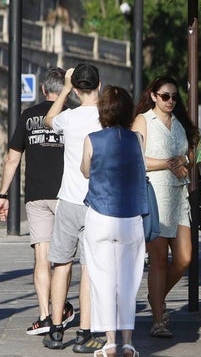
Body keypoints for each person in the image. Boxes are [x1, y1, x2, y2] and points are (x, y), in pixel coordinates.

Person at [0, 68, 75, 335]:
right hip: (67, 194)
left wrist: (3, 194)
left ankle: (44, 314)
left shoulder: (28, 116)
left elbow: (12, 158)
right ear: (65, 91)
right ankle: (59, 312)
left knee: (41, 257)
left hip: (35, 196)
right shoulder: (71, 116)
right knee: (62, 259)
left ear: (44, 90)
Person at [80, 86, 147, 357]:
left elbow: (85, 171)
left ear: (103, 110)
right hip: (130, 216)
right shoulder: (137, 139)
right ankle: (128, 341)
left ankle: (109, 342)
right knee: (128, 282)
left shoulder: (92, 138)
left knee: (102, 279)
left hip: (99, 214)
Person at [42, 62, 104, 352]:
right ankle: (85, 332)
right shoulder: (106, 118)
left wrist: (65, 87)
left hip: (68, 200)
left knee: (61, 265)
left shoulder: (69, 117)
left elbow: (48, 119)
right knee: (89, 269)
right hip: (96, 203)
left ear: (77, 89)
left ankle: (55, 331)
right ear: (99, 86)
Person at [131, 75, 198, 338]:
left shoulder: (180, 124)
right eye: (165, 96)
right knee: (158, 260)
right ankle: (158, 320)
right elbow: (137, 158)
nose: (170, 101)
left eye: (173, 96)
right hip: (154, 195)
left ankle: (155, 296)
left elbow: (191, 155)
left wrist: (184, 162)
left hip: (178, 196)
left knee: (184, 258)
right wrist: (167, 163)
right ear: (153, 96)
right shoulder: (143, 120)